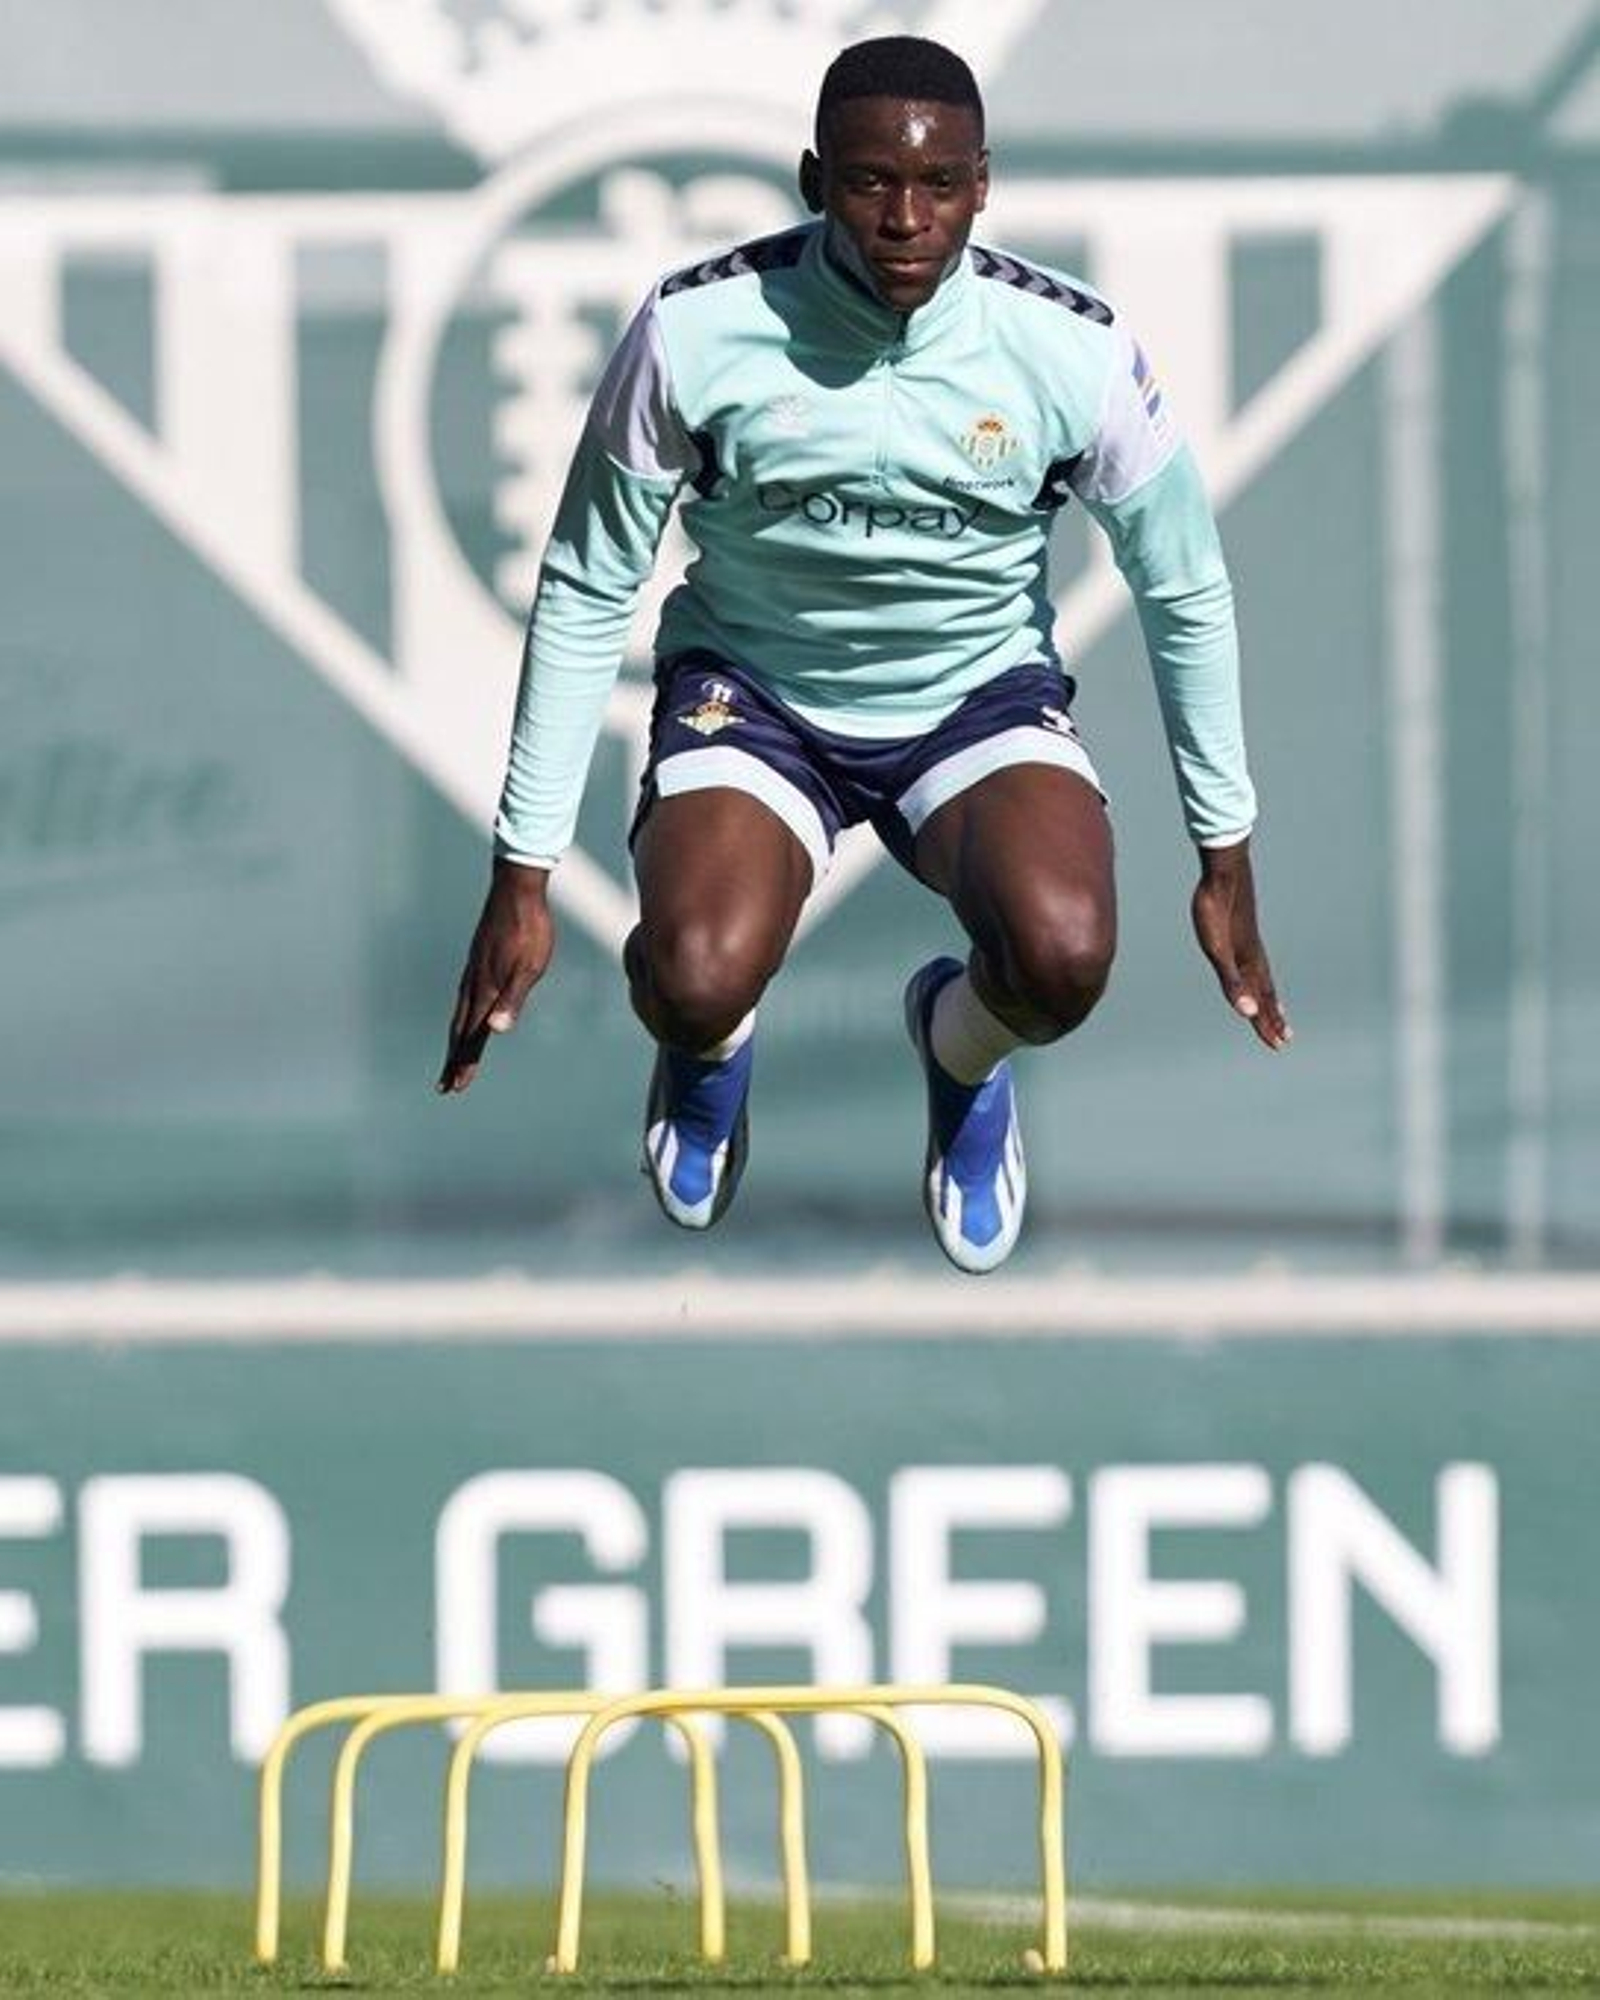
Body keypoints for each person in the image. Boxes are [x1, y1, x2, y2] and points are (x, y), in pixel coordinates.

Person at [439, 34, 1290, 1273]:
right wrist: (520, 870)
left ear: (983, 184)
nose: (905, 218)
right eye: (867, 183)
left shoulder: (1073, 350)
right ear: (810, 178)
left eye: (939, 185)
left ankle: (957, 1051)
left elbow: (1186, 587)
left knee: (1062, 957)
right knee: (691, 973)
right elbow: (584, 584)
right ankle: (707, 1048)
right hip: (755, 696)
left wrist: (1225, 851)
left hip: (973, 704)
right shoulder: (694, 329)